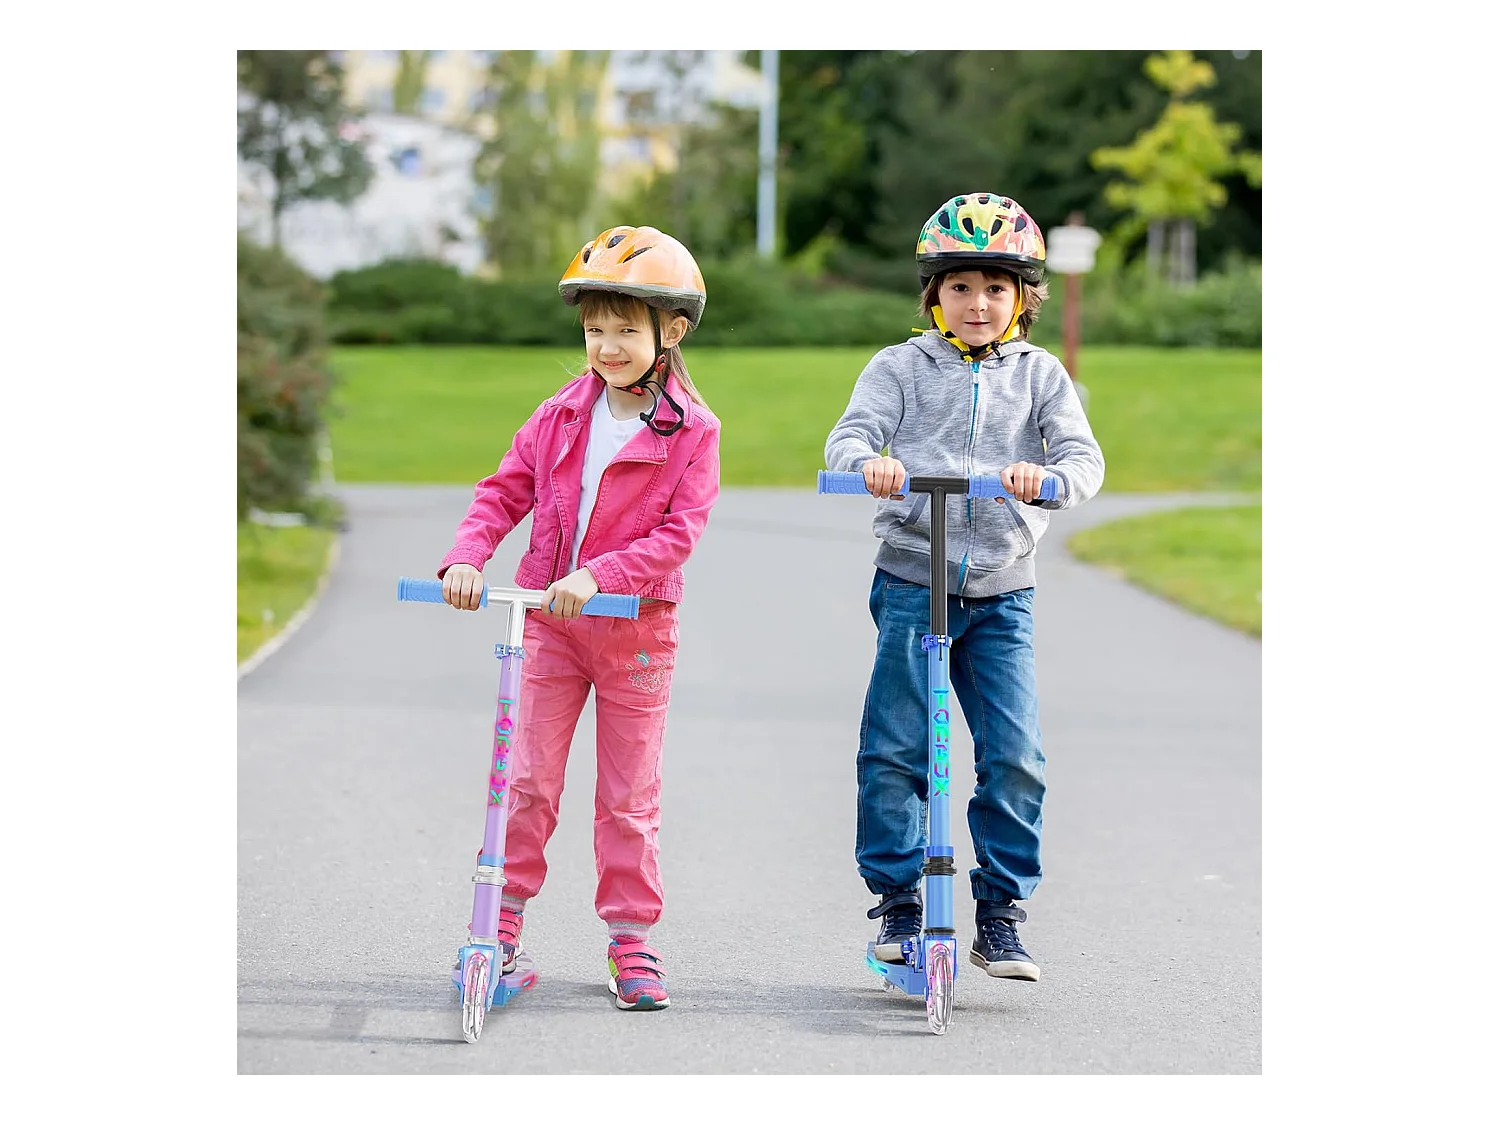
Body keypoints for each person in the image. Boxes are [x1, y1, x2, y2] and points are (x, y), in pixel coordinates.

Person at [823, 192, 1105, 982]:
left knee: (1016, 755)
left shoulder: (1041, 375)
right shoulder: (899, 367)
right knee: (897, 745)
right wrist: (870, 466)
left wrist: (1048, 481)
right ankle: (899, 901)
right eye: (959, 286)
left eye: (994, 288)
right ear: (934, 295)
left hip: (1002, 591)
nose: (977, 303)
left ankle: (1001, 912)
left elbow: (1083, 459)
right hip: (914, 577)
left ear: (1022, 297)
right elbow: (849, 438)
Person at [438, 225, 721, 1011]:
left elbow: (679, 534)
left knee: (628, 794)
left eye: (625, 329)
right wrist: (468, 557)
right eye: (595, 329)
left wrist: (599, 575)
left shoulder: (694, 432)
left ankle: (631, 939)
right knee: (526, 781)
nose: (606, 346)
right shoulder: (560, 414)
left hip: (636, 632)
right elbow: (503, 490)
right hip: (551, 627)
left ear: (672, 332)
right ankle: (497, 928)